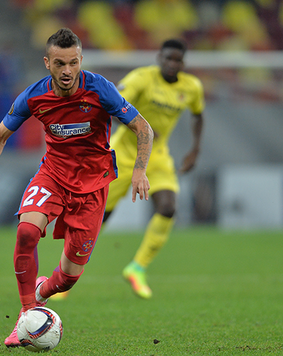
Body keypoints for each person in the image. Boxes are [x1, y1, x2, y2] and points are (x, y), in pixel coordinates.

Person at [0, 28, 153, 348]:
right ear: (47, 63)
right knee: (26, 232)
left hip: (93, 186)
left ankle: (41, 292)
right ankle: (27, 313)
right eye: (60, 63)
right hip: (52, 175)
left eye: (74, 63)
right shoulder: (34, 96)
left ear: (81, 61)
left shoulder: (100, 89)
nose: (68, 71)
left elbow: (142, 127)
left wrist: (140, 170)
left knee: (68, 277)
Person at [103, 39, 205, 299]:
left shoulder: (191, 87)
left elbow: (198, 115)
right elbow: (114, 108)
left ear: (183, 63)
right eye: (168, 58)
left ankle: (137, 267)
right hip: (122, 155)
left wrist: (195, 149)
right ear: (160, 57)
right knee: (99, 217)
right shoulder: (141, 78)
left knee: (168, 208)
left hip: (157, 157)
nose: (172, 64)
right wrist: (141, 127)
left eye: (178, 60)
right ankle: (66, 273)